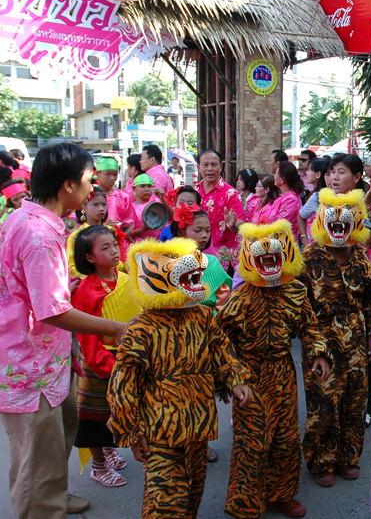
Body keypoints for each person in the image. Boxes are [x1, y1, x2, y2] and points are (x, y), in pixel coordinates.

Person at [0, 142, 125, 517]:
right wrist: (117, 327)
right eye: (86, 180)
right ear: (67, 185)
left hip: (45, 359)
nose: (91, 187)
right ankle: (42, 508)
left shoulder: (31, 219)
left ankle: (54, 495)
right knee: (36, 456)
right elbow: (52, 312)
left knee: (58, 438)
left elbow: (35, 294)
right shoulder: (39, 234)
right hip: (27, 365)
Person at [108, 237, 252, 518]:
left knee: (192, 494)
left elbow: (221, 348)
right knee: (165, 503)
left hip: (198, 425)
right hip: (160, 431)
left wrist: (236, 378)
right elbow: (123, 385)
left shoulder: (201, 315)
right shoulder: (141, 328)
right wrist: (131, 429)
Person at [220, 220, 332, 519]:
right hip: (251, 375)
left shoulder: (295, 290)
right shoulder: (240, 300)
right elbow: (221, 345)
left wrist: (319, 353)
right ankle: (244, 503)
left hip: (283, 371)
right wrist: (233, 379)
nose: (269, 256)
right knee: (253, 441)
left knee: (286, 438)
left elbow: (309, 325)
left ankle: (281, 493)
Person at [299, 187, 371, 487]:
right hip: (322, 340)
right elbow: (300, 306)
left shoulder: (361, 257)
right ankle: (321, 461)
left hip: (357, 340)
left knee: (356, 401)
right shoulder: (309, 256)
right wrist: (313, 346)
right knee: (324, 404)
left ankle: (348, 457)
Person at [71, 226, 128, 488]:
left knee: (113, 412)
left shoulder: (124, 277)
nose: (114, 251)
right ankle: (97, 465)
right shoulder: (86, 290)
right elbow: (89, 341)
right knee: (94, 418)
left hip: (123, 358)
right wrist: (111, 366)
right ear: (90, 257)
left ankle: (107, 451)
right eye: (105, 248)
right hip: (99, 364)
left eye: (114, 244)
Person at [169, 205, 232, 308]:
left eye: (207, 231)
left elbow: (222, 302)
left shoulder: (212, 262)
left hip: (210, 319)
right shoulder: (169, 262)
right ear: (181, 232)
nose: (204, 235)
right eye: (198, 231)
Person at [196, 148, 246, 269]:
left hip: (222, 261)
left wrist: (232, 224)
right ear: (198, 167)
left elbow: (241, 223)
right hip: (197, 258)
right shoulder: (194, 193)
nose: (209, 169)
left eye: (213, 165)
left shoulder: (231, 194)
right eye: (205, 165)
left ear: (221, 166)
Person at [96, 156, 135, 232]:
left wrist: (120, 227)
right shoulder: (89, 196)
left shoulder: (123, 197)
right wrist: (103, 226)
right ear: (98, 174)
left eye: (115, 174)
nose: (112, 178)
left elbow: (130, 222)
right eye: (107, 174)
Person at [298, 158, 330, 246]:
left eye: (310, 170)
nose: (307, 173)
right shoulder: (316, 197)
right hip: (315, 247)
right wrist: (305, 240)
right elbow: (301, 216)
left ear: (318, 174)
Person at [272, 161, 304, 240]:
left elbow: (280, 225)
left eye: (276, 173)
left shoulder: (291, 200)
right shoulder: (284, 197)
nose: (274, 176)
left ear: (282, 179)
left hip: (286, 245)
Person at [129, 173, 162, 241]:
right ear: (134, 188)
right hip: (139, 246)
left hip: (158, 244)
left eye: (149, 186)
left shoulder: (157, 202)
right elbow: (127, 233)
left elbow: (170, 216)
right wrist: (142, 230)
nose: (146, 189)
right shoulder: (130, 208)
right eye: (142, 186)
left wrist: (163, 198)